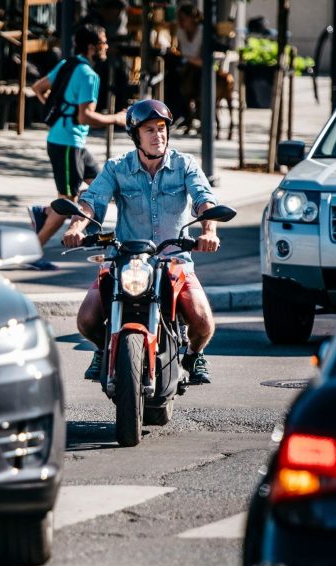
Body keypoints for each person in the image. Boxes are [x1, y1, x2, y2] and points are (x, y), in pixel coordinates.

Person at [62, 99, 220, 384]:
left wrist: (209, 231)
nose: (158, 135)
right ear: (136, 135)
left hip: (175, 260)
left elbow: (204, 201)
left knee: (202, 321)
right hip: (125, 260)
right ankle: (102, 349)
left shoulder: (185, 165)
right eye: (149, 129)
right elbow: (90, 202)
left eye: (161, 128)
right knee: (86, 319)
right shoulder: (117, 168)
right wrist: (77, 226)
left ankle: (194, 355)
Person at [27, 23, 127, 268]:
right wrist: (117, 119)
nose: (106, 46)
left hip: (68, 141)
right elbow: (85, 117)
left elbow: (38, 88)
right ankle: (31, 253)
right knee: (67, 203)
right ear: (92, 47)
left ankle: (45, 213)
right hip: (68, 143)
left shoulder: (67, 64)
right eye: (103, 42)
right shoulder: (89, 76)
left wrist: (55, 111)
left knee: (101, 184)